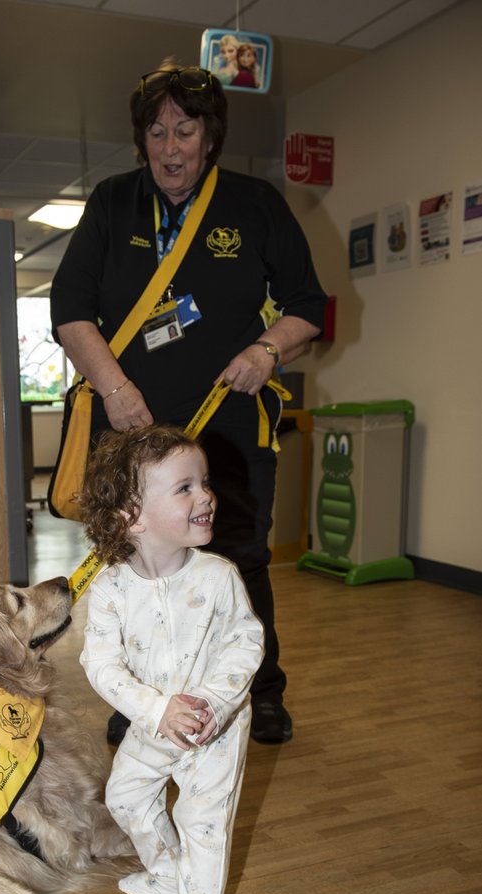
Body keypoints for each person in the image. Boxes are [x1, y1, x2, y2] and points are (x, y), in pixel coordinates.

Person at [50, 59, 326, 746]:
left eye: (185, 130)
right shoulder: (113, 202)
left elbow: (308, 306)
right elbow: (69, 309)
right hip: (129, 428)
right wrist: (114, 388)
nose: (171, 148)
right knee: (135, 565)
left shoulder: (254, 204)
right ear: (141, 140)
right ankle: (141, 696)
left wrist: (265, 352)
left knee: (239, 560)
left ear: (209, 138)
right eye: (157, 132)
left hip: (224, 427)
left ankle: (259, 691)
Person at [79, 425, 264, 894]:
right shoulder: (111, 587)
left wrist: (213, 703)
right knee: (127, 795)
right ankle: (166, 870)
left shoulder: (218, 577)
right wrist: (157, 710)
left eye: (203, 482)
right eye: (184, 487)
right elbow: (101, 662)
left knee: (202, 825)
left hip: (214, 730)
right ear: (130, 516)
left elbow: (246, 642)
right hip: (156, 720)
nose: (206, 495)